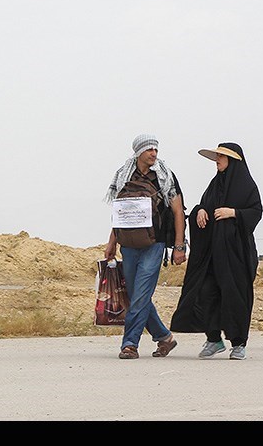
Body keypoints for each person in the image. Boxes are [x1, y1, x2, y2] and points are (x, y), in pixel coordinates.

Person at [169, 143, 263, 361]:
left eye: (221, 157)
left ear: (233, 160)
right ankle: (213, 339)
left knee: (235, 296)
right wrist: (199, 210)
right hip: (211, 254)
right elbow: (205, 204)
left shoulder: (247, 186)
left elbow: (256, 212)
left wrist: (234, 213)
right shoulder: (214, 184)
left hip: (235, 255)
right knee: (205, 293)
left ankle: (239, 343)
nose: (217, 161)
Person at [104, 133, 187, 359]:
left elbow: (178, 211)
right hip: (128, 244)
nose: (154, 154)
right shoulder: (124, 176)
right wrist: (111, 242)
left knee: (140, 294)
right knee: (136, 295)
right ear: (138, 152)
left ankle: (130, 343)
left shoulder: (164, 176)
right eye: (149, 149)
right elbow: (120, 213)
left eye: (156, 150)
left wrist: (179, 246)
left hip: (155, 243)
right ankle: (164, 338)